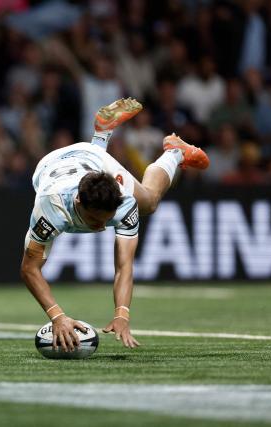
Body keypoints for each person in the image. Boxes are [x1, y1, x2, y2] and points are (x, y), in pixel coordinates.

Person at [20, 98, 209, 352]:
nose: (100, 227)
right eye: (95, 220)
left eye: (106, 220)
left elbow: (124, 265)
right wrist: (58, 317)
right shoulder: (52, 208)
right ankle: (102, 134)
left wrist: (122, 314)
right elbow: (29, 269)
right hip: (50, 165)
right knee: (142, 197)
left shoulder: (122, 201)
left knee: (149, 202)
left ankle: (174, 151)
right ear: (78, 202)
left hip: (96, 162)